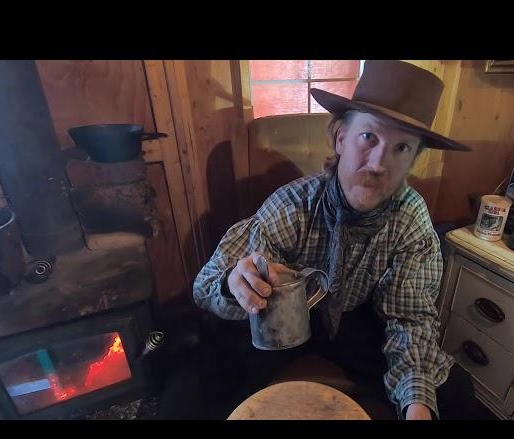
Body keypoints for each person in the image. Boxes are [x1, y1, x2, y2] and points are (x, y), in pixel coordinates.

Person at [160, 60, 477, 420]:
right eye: (368, 137)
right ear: (340, 138)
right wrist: (234, 283)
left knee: (456, 397)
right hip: (282, 323)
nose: (378, 163)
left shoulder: (411, 220)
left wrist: (417, 405)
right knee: (183, 399)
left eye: (401, 148)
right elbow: (205, 286)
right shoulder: (292, 205)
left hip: (362, 325)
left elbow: (409, 320)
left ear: (413, 160)